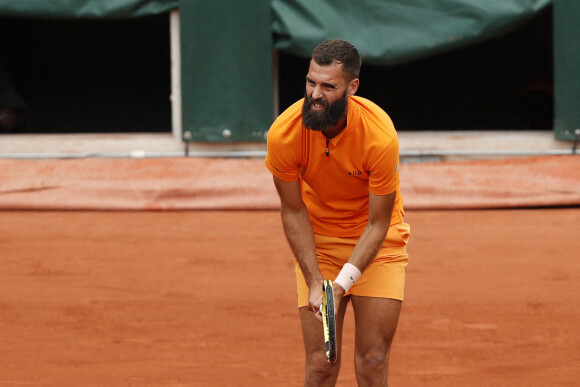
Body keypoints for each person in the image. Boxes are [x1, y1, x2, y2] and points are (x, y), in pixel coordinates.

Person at [265, 39, 410, 386]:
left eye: (329, 86)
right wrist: (317, 281)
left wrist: (341, 286)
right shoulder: (284, 135)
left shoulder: (380, 137)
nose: (315, 94)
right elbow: (293, 210)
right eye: (311, 82)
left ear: (352, 87)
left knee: (373, 361)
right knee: (320, 364)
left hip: (378, 246)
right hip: (320, 247)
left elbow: (379, 222)